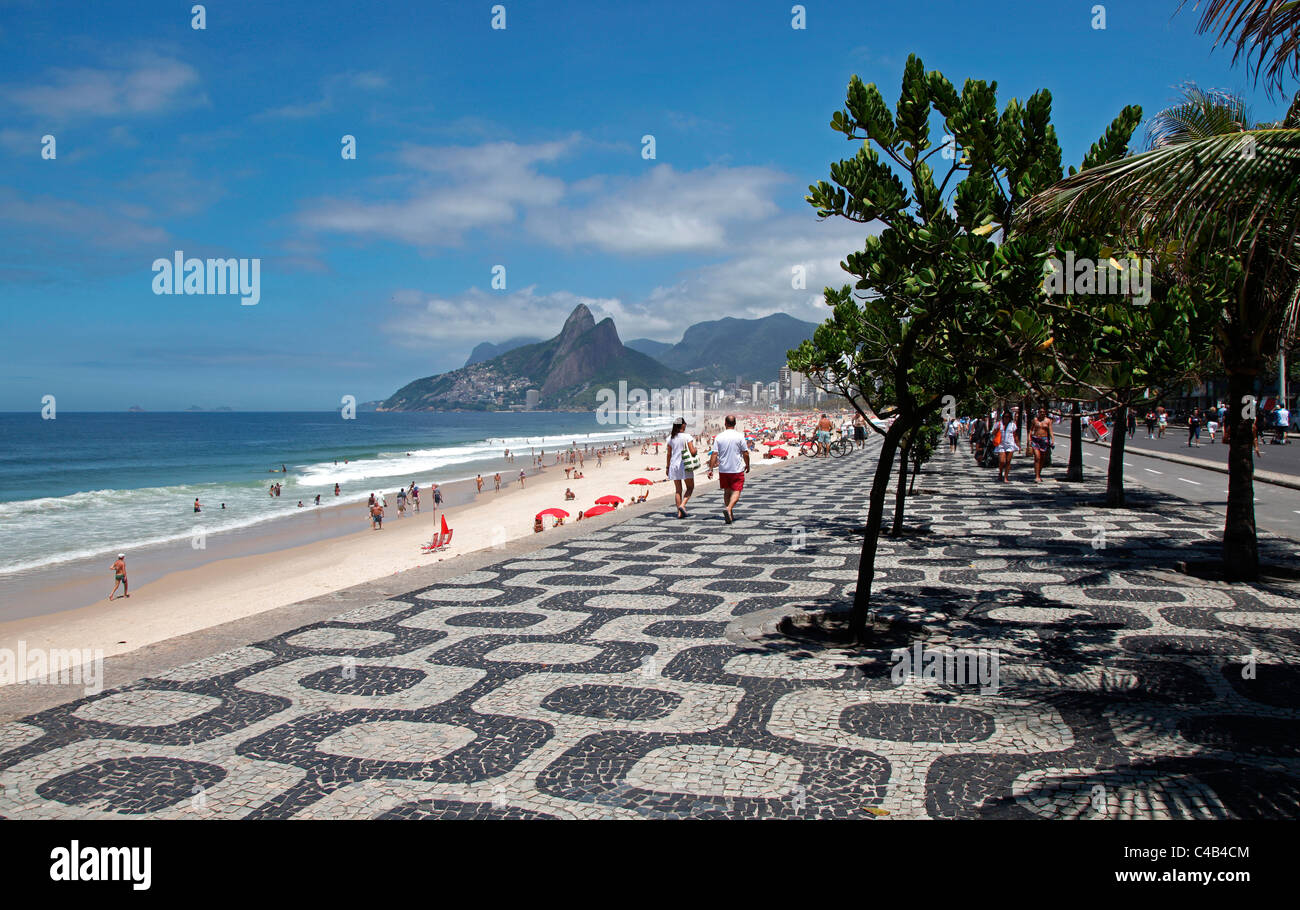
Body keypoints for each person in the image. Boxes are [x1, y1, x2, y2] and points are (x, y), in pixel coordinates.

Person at [707, 415, 750, 523]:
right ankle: (729, 508)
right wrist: (748, 464)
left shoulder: (719, 437)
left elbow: (714, 454)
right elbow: (745, 452)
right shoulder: (739, 436)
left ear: (725, 423)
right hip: (736, 469)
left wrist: (710, 469)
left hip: (724, 469)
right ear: (735, 424)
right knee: (737, 491)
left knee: (727, 491)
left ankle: (730, 514)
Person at [666, 416, 698, 519]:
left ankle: (679, 513)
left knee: (678, 490)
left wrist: (667, 467)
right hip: (685, 464)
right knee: (690, 487)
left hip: (674, 465)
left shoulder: (670, 438)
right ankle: (682, 505)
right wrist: (696, 450)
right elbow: (692, 451)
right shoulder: (687, 436)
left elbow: (669, 454)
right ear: (683, 425)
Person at [1029, 407, 1054, 483]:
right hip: (1036, 439)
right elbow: (1031, 430)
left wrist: (1052, 439)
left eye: (1043, 412)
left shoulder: (1048, 421)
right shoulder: (1035, 420)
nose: (1042, 413)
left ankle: (1039, 474)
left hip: (1044, 440)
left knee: (1042, 458)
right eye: (1040, 411)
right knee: (1037, 457)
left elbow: (1050, 431)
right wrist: (1029, 439)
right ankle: (1036, 476)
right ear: (1038, 412)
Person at [995, 409, 1019, 482]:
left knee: (1008, 461)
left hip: (1010, 444)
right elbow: (993, 433)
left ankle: (1006, 477)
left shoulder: (1012, 425)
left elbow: (1015, 435)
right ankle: (1000, 473)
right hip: (1001, 444)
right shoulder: (999, 424)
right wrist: (996, 430)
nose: (1006, 418)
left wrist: (1018, 444)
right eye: (1005, 417)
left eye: (1008, 417)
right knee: (1002, 461)